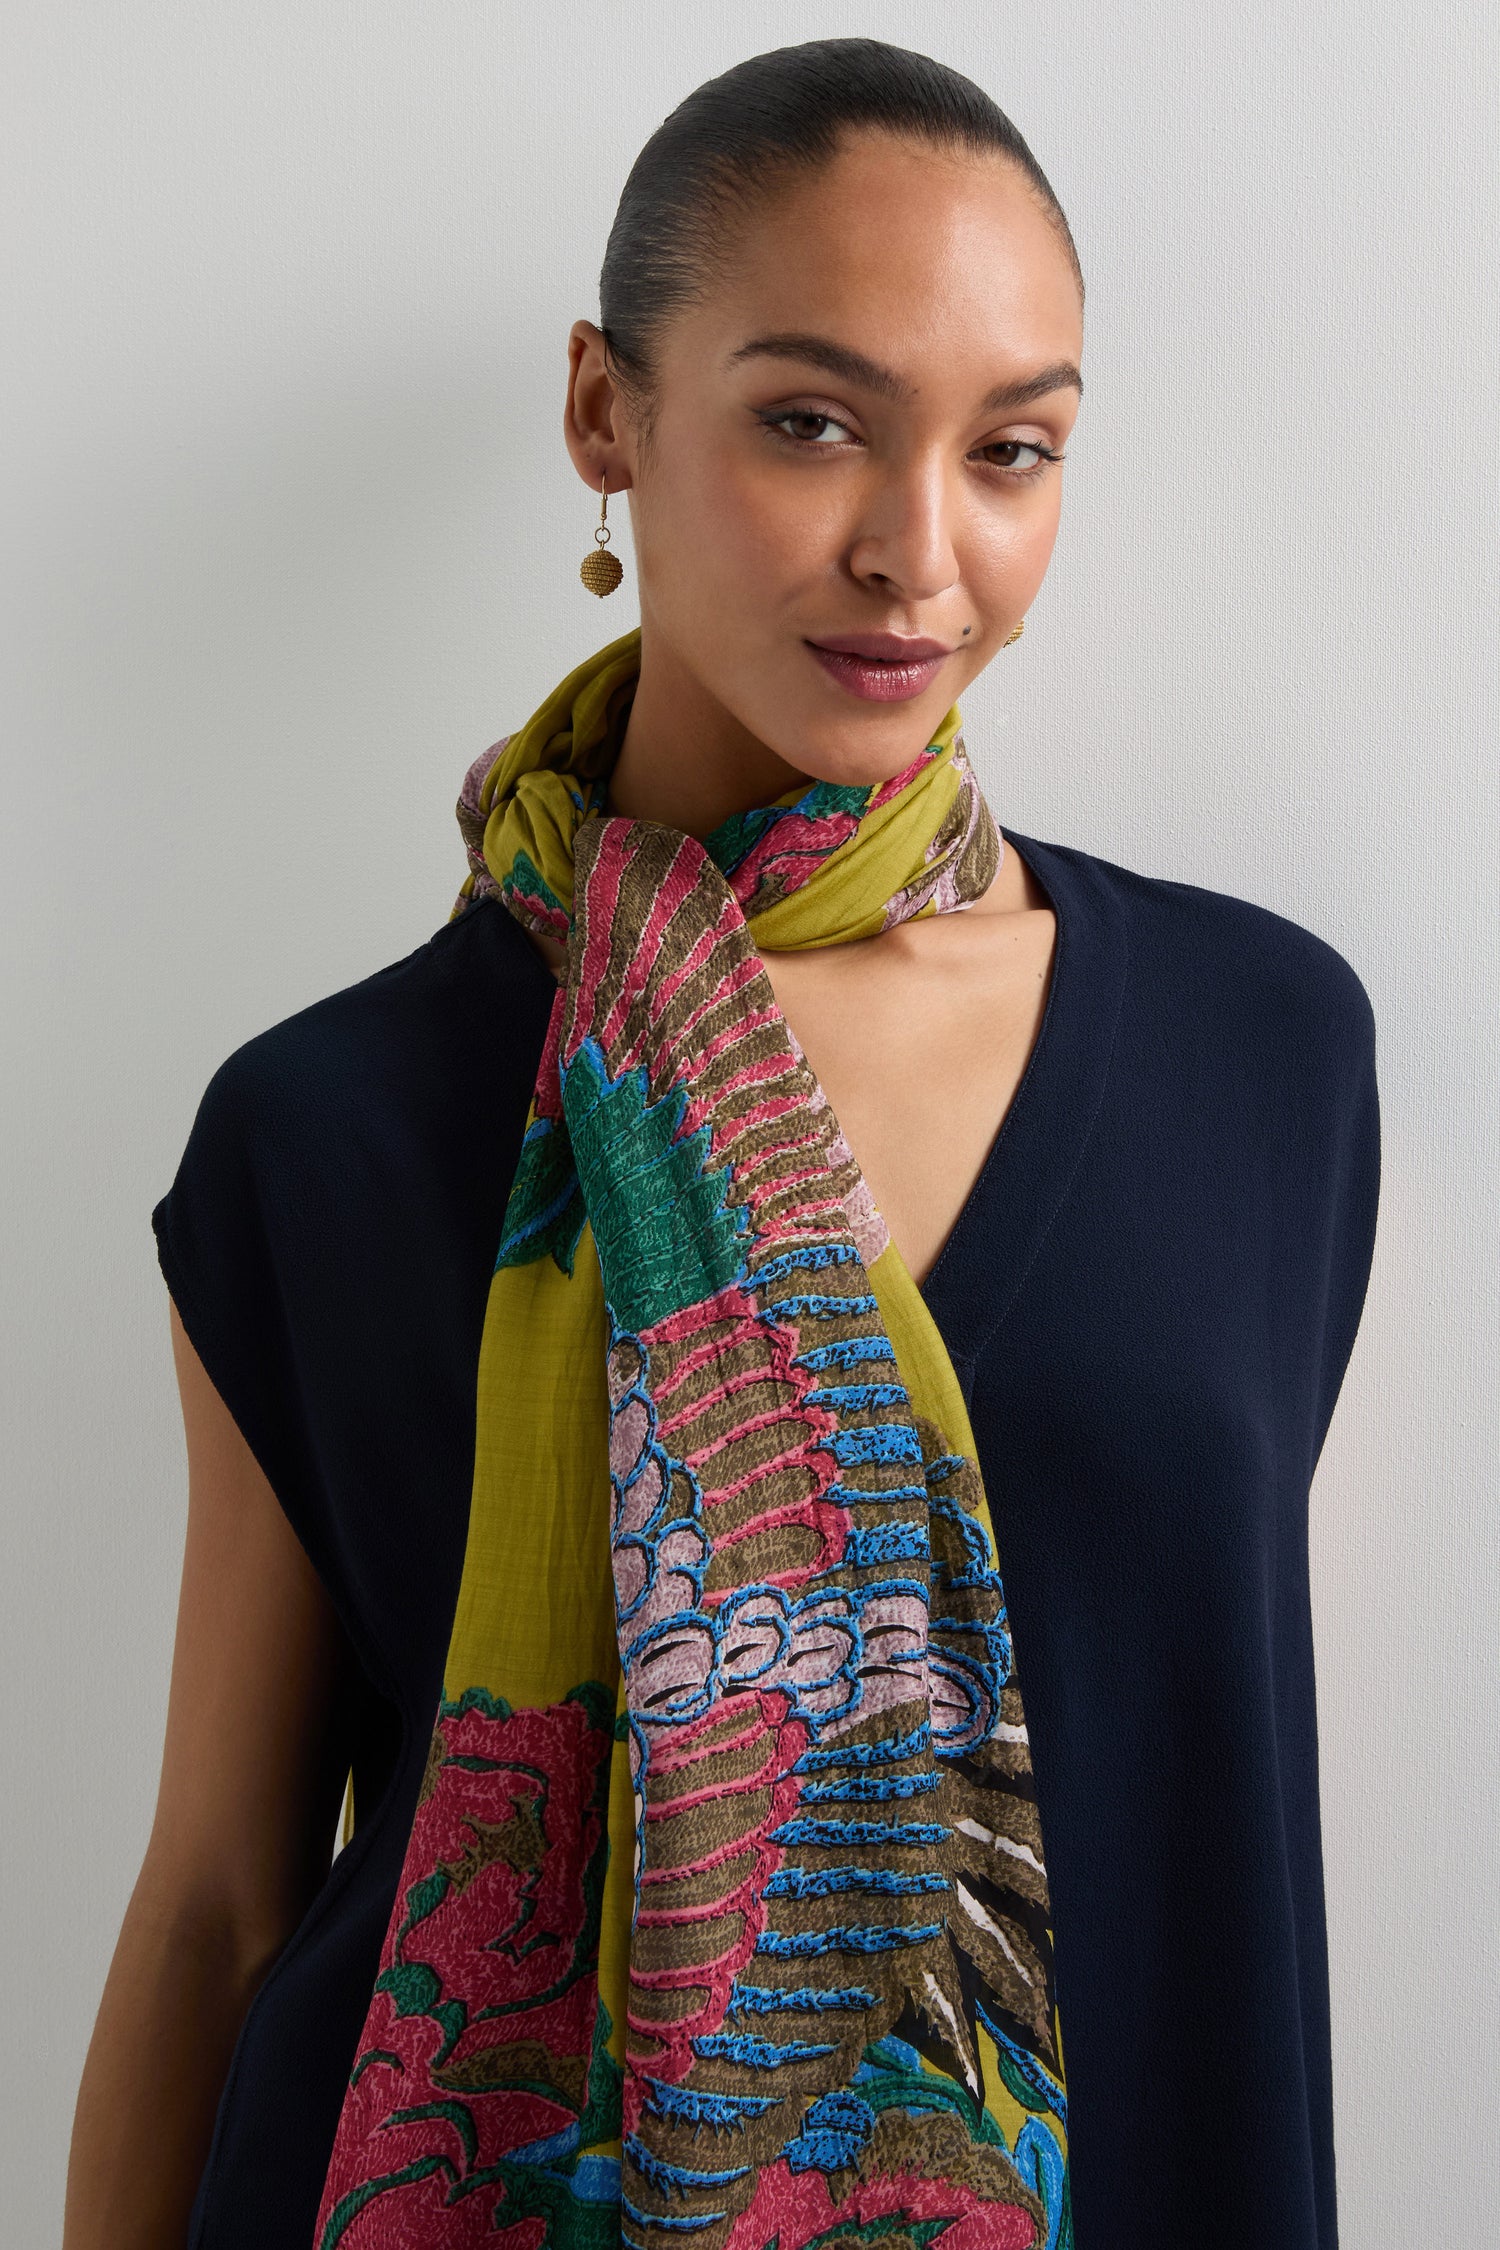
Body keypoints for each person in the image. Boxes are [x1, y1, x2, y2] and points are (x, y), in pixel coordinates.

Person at [63, 36, 1380, 2250]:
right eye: (810, 421)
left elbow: (1186, 1775)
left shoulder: (1260, 1055)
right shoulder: (328, 1130)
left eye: (1013, 448)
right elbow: (214, 1901)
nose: (918, 550)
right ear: (606, 411)